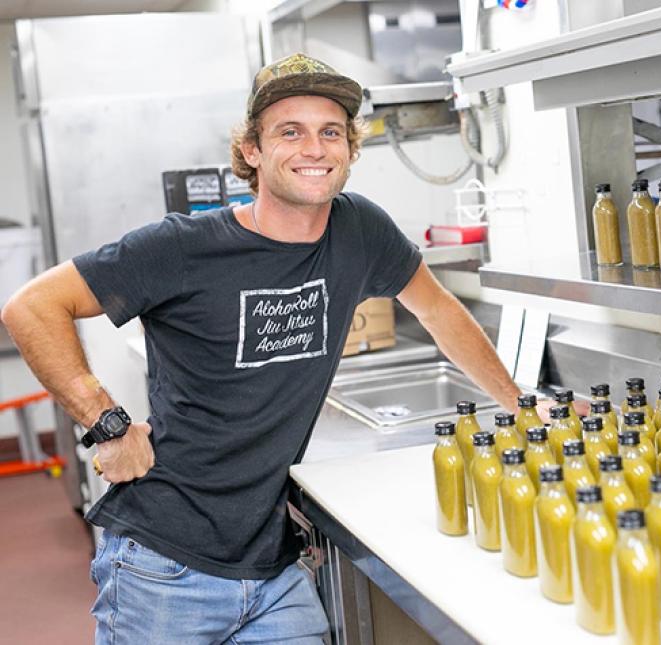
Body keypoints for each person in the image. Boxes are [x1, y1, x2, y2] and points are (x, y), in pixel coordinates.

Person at [1, 53, 524, 643]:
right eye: (289, 132)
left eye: (331, 132)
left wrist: (519, 405)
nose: (314, 149)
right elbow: (32, 307)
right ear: (252, 150)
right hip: (164, 564)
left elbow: (437, 309)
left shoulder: (361, 231)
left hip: (274, 567)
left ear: (351, 149)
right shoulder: (183, 247)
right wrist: (109, 423)